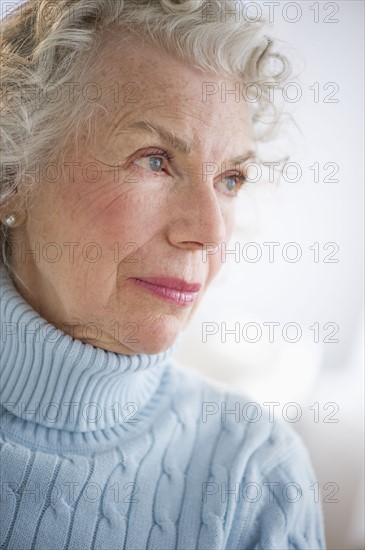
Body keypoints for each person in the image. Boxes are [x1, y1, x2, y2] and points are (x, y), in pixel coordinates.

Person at [0, 1, 326, 548]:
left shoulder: (259, 475)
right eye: (154, 160)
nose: (210, 231)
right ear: (14, 176)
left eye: (230, 178)